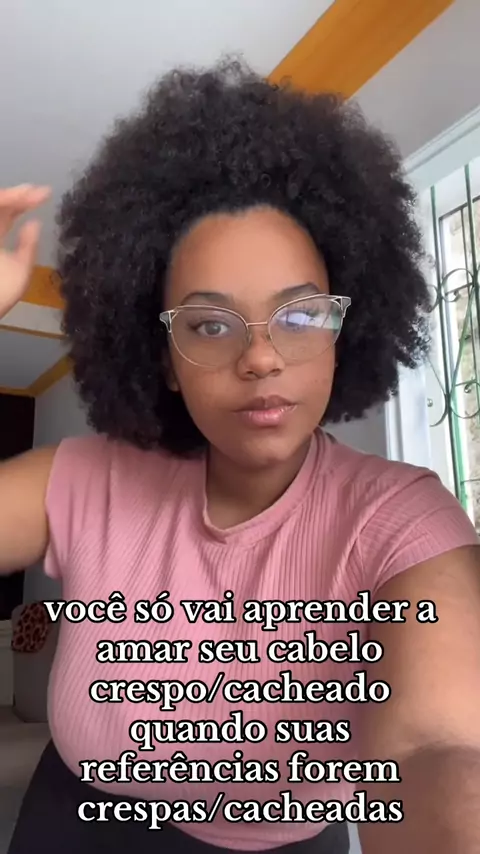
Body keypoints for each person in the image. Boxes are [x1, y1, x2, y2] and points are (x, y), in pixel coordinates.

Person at [2, 59, 480, 854]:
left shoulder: (401, 517)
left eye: (300, 315)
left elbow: (441, 749)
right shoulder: (86, 476)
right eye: (210, 324)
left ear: (345, 330)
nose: (260, 358)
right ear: (165, 359)